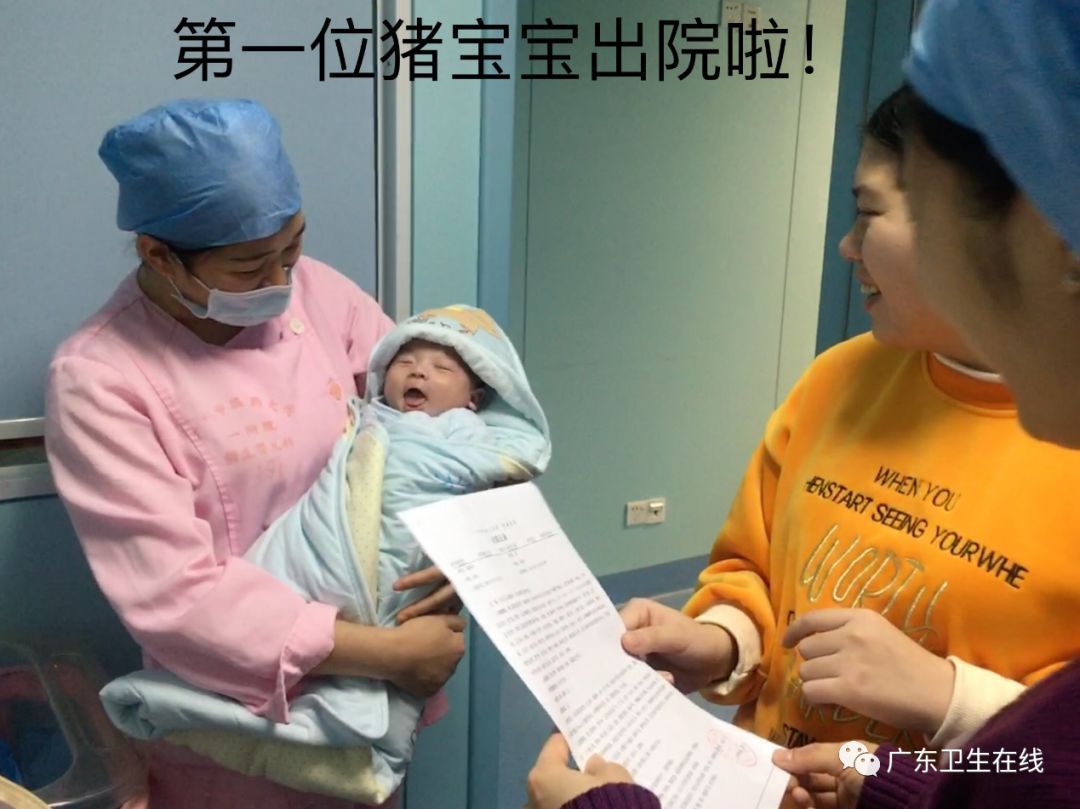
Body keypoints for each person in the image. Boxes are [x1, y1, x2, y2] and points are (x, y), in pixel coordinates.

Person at [529, 0, 1080, 805]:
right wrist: (723, 640)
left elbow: (1049, 769)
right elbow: (755, 569)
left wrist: (951, 700)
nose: (847, 245)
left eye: (872, 211)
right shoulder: (839, 378)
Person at [44, 98, 464, 809]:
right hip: (238, 717)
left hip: (376, 703)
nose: (280, 282)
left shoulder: (321, 294)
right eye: (248, 267)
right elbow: (175, 594)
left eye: (291, 248)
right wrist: (387, 654)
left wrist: (453, 557)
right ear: (158, 255)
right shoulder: (100, 378)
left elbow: (415, 424)